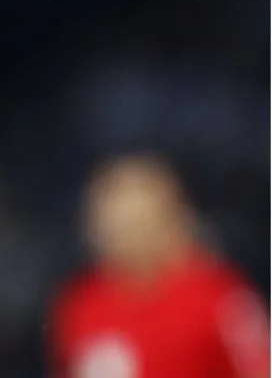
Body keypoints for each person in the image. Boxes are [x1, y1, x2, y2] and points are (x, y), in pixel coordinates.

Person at [48, 152, 270, 378]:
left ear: (171, 220)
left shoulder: (221, 297)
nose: (126, 240)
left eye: (138, 224)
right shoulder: (81, 305)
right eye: (115, 227)